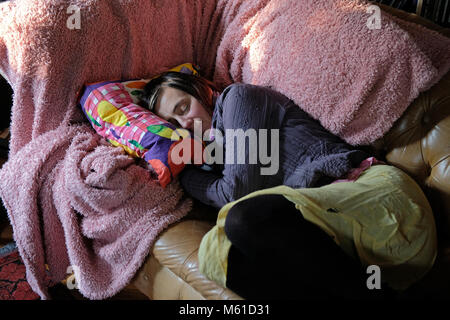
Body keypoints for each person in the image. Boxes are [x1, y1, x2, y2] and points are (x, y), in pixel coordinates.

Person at [140, 71, 436, 300]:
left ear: (201, 90)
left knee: (242, 218)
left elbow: (238, 192)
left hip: (379, 201)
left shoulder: (238, 99)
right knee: (220, 257)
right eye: (174, 124)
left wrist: (186, 176)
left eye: (183, 107)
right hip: (349, 244)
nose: (185, 123)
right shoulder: (211, 156)